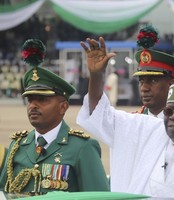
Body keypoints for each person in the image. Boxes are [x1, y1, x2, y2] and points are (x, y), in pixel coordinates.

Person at [77, 36, 174, 199]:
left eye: (152, 80)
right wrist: (96, 75)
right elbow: (98, 114)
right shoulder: (142, 125)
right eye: (169, 112)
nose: (144, 87)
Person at [0, 39, 109, 196]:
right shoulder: (17, 147)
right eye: (30, 100)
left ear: (63, 107)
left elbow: (99, 198)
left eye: (42, 100)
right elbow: (4, 194)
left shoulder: (82, 148)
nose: (33, 105)